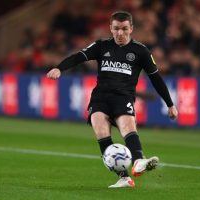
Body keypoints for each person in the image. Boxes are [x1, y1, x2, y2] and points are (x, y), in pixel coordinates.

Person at [47, 11, 178, 188]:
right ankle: (123, 177)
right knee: (101, 132)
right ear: (110, 28)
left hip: (123, 97)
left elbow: (156, 78)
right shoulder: (102, 46)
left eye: (124, 29)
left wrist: (170, 104)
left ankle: (139, 161)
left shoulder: (141, 51)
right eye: (116, 29)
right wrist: (60, 68)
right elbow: (79, 57)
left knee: (127, 127)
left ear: (131, 29)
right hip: (100, 98)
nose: (120, 33)